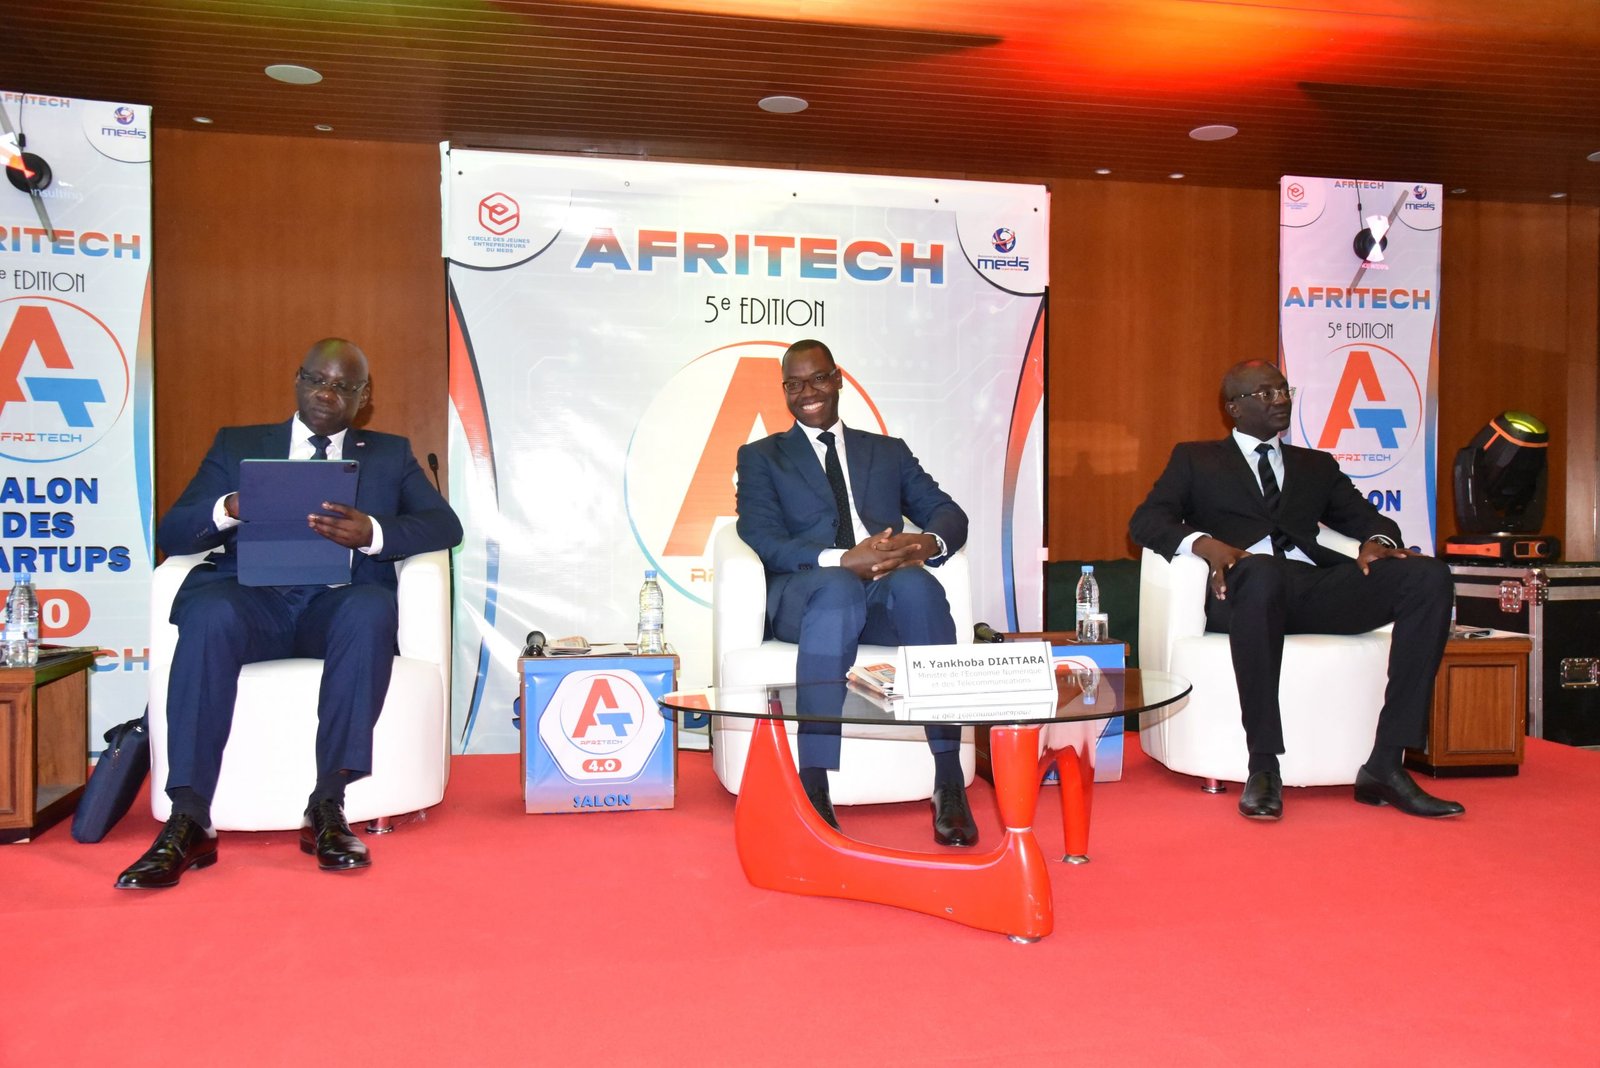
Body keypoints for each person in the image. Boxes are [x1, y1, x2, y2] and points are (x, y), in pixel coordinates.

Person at [115, 338, 463, 889]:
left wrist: (373, 533)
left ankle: (327, 806)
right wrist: (229, 508)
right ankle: (189, 818)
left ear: (364, 397)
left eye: (343, 386)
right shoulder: (238, 445)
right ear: (298, 382)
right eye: (317, 380)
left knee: (371, 609)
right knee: (209, 614)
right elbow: (174, 532)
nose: (327, 393)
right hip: (253, 603)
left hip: (336, 605)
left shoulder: (389, 455)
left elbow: (445, 525)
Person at [1128, 359, 1463, 821]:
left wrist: (1378, 543)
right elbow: (1146, 521)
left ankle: (1386, 764)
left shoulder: (1315, 465)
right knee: (1263, 572)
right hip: (1241, 592)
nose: (1280, 400)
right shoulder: (1195, 459)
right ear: (1233, 407)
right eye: (1265, 393)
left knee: (1428, 576)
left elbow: (1370, 520)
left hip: (1312, 588)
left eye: (1284, 391)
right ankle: (1264, 766)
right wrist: (1207, 545)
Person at [734, 339, 978, 845]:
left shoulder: (886, 451)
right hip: (808, 596)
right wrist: (842, 559)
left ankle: (948, 778)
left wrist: (924, 544)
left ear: (838, 378)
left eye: (818, 379)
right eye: (794, 384)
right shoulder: (762, 457)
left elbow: (947, 512)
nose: (807, 393)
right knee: (838, 587)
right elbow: (762, 536)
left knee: (918, 587)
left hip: (882, 595)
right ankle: (814, 783)